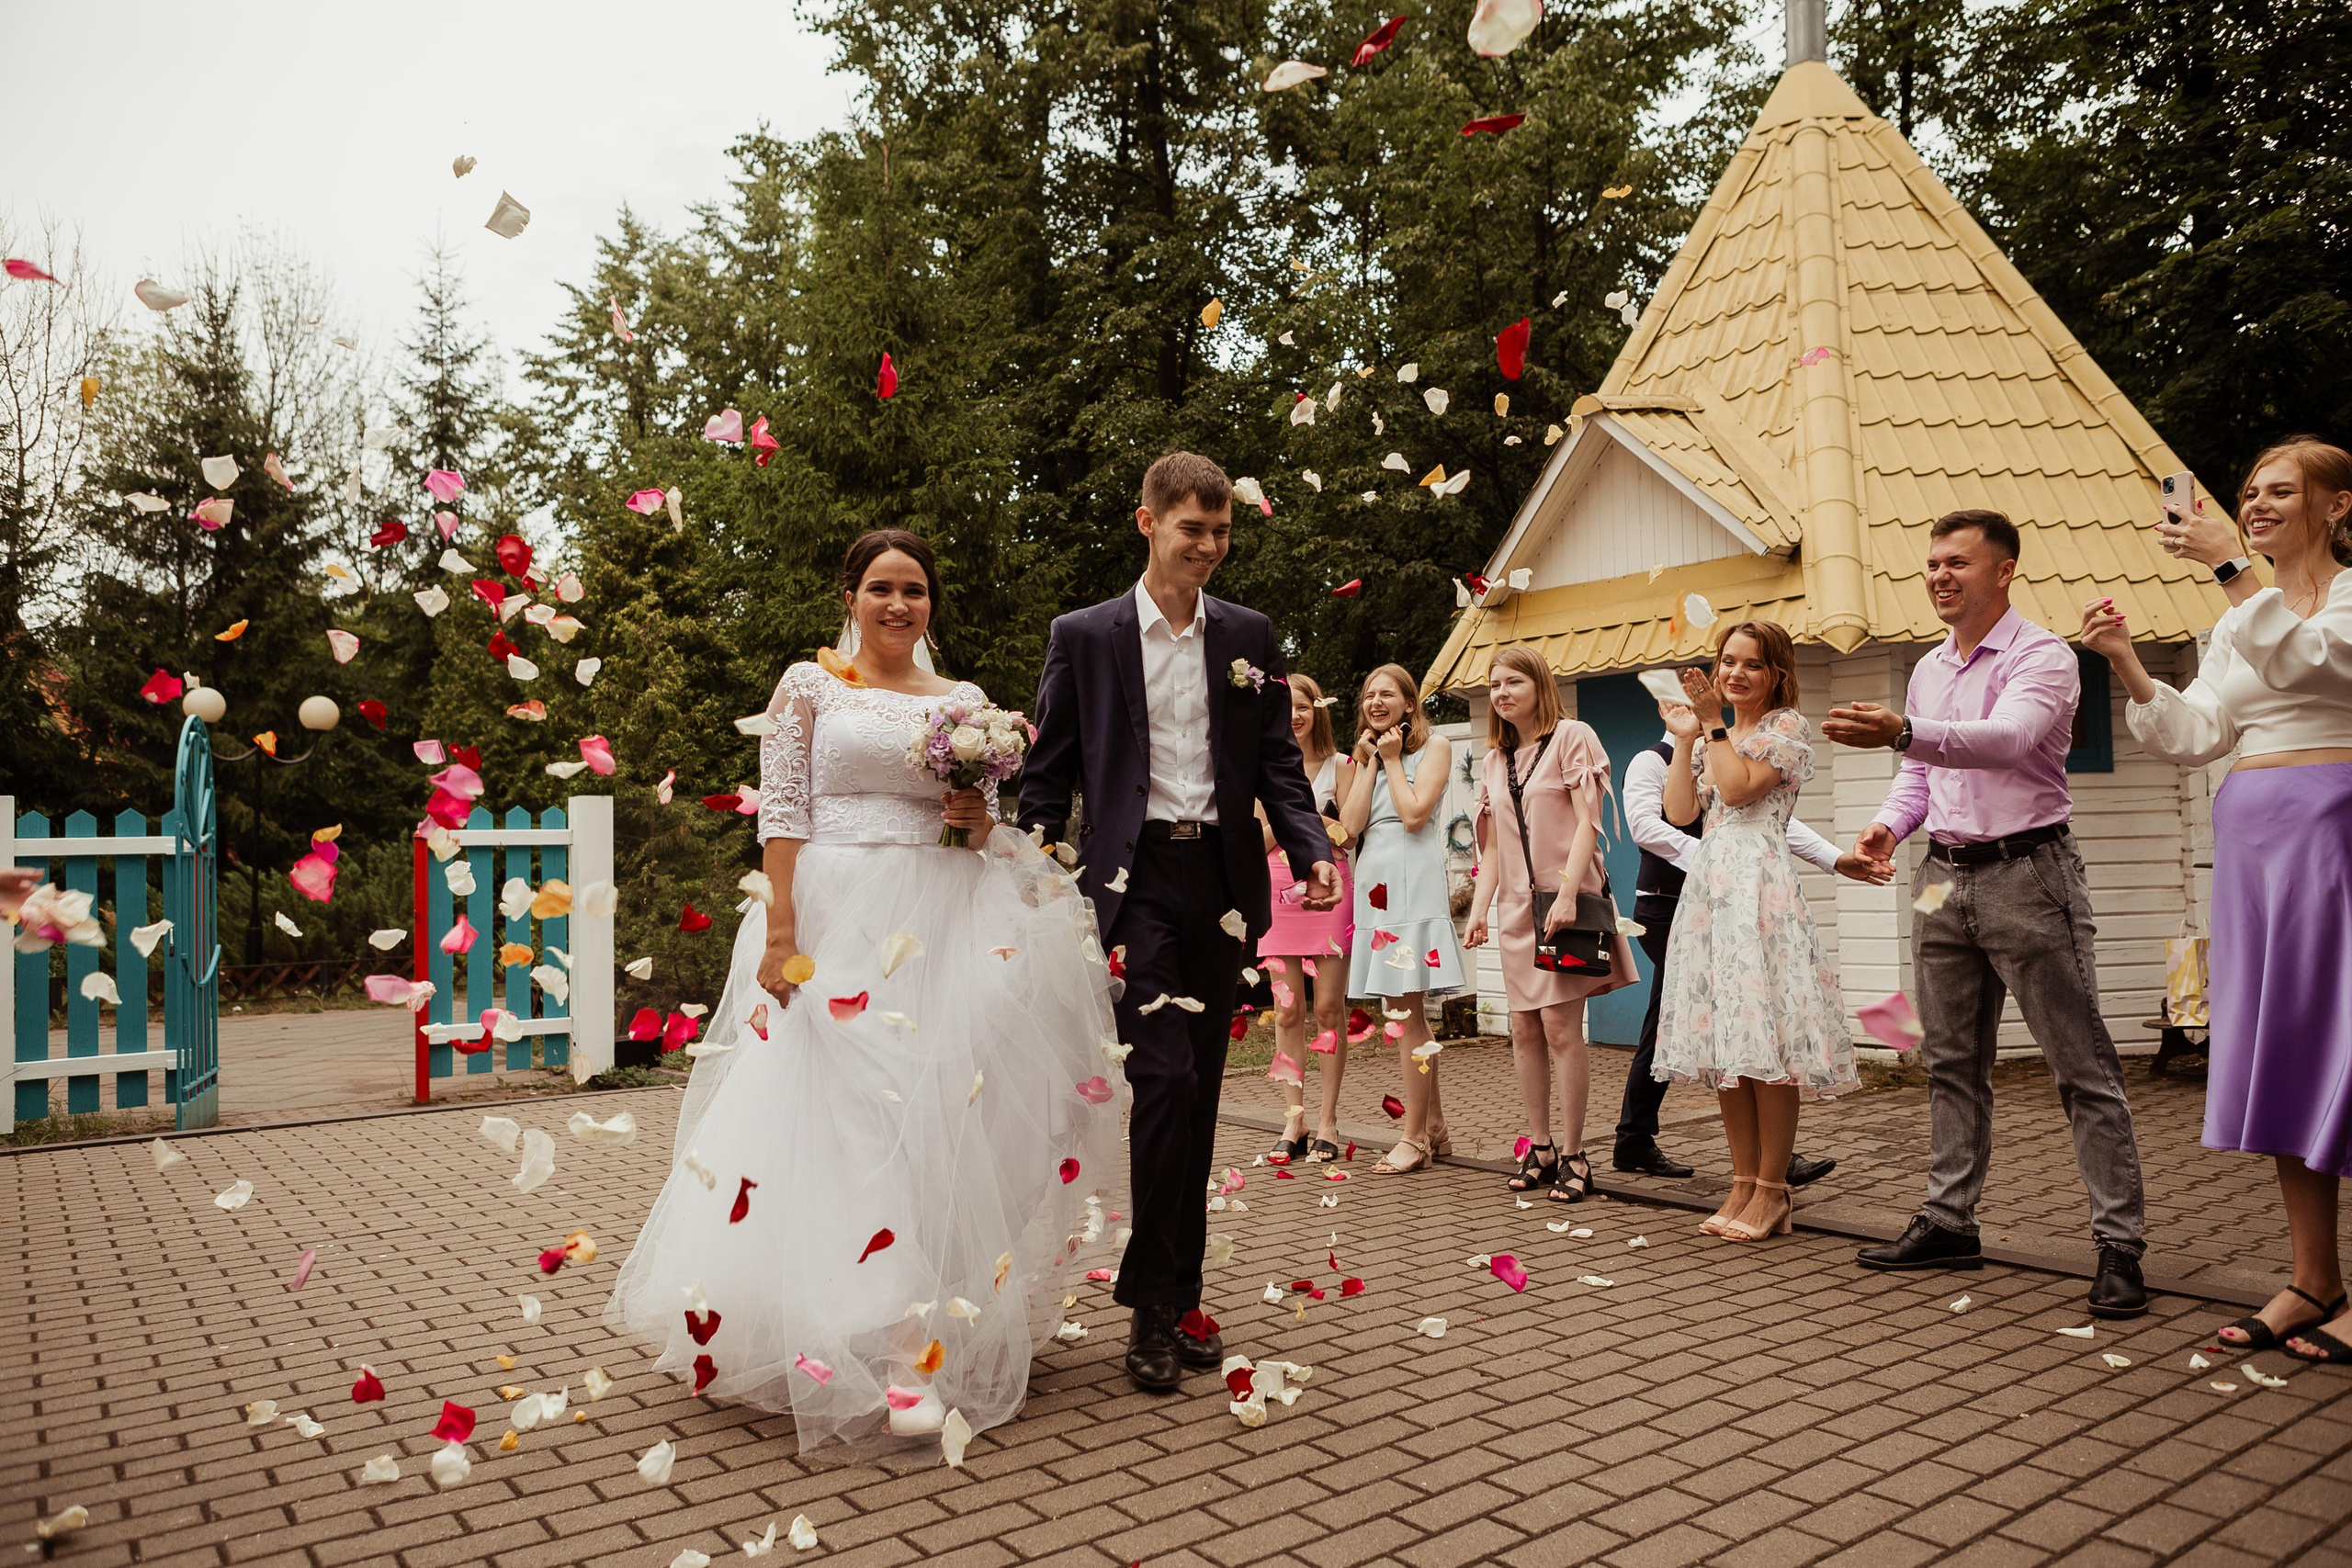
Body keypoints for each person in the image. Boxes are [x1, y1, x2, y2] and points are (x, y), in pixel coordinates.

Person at [604, 529, 1127, 1462]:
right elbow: (782, 811)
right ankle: (895, 1351)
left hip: (944, 923)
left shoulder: (965, 706)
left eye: (915, 590)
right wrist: (778, 933)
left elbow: (977, 834)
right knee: (849, 1118)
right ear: (850, 596)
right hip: (836, 921)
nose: (898, 605)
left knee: (934, 1116)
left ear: (931, 604)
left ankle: (915, 1316)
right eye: (882, 588)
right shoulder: (808, 688)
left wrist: (971, 817)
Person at [1017, 452, 1337, 1394]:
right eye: (1192, 527)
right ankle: (1154, 1307)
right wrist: (1028, 870)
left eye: (1222, 530)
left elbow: (1278, 760)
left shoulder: (1249, 634)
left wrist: (1310, 849)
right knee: (1157, 1076)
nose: (1208, 545)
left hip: (1227, 883)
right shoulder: (1086, 635)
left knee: (1196, 1089)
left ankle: (1177, 1287)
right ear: (1147, 523)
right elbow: (1051, 770)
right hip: (1134, 877)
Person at [1825, 509, 2149, 1318]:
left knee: (2081, 1068)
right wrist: (1887, 825)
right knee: (1949, 1062)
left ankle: (2119, 1246)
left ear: (2002, 570)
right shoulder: (1929, 668)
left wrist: (1904, 731)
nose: (1939, 575)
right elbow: (1922, 775)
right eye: (1932, 562)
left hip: (2028, 876)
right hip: (1942, 877)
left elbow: (2006, 740)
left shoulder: (2043, 657)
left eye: (1957, 562)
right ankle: (1948, 1219)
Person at [2080, 437, 2352, 1361]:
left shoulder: (2337, 598)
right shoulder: (2235, 620)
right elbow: (2198, 732)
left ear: (2336, 507)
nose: (2258, 504)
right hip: (2256, 844)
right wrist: (2123, 661)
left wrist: (2232, 568)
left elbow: (2316, 667)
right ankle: (2313, 1278)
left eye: (2281, 491)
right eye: (2248, 493)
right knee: (2290, 1052)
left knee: (2349, 1047)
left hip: (2338, 831)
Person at [1616, 713, 1887, 1183]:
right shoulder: (1654, 759)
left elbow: (1765, 819)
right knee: (1696, 1015)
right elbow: (1649, 827)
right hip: (1670, 903)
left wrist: (1832, 858)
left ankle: (1752, 1160)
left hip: (1736, 899)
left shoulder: (1750, 744)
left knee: (1722, 1014)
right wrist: (1719, 858)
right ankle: (1657, 1140)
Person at [1653, 622, 1856, 1241]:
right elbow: (1682, 813)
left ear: (1776, 674)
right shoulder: (1715, 732)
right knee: (1727, 1047)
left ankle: (1773, 1190)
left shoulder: (1784, 730)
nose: (1736, 673)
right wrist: (1691, 733)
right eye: (1727, 661)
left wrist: (1711, 723)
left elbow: (1740, 793)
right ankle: (1741, 1182)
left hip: (1760, 890)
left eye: (1752, 664)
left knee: (1768, 1048)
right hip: (1711, 890)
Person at [1463, 647, 1634, 1203]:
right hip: (1515, 909)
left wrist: (1566, 894)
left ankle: (1578, 1154)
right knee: (1523, 1029)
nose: (1502, 692)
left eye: (1513, 681)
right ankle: (1540, 1148)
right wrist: (1478, 910)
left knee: (1562, 1029)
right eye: (1494, 685)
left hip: (1563, 904)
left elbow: (1590, 824)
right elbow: (1492, 852)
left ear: (1540, 684)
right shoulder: (1495, 760)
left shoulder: (1574, 736)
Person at [1339, 661, 1466, 1174]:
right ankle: (1435, 1127)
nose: (1375, 702)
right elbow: (1348, 829)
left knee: (1404, 1014)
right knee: (1405, 1013)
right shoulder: (1365, 756)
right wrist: (1370, 761)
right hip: (1375, 885)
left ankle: (1414, 1136)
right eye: (1368, 694)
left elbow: (1414, 814)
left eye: (1386, 694)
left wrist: (1392, 759)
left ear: (1409, 704)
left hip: (1411, 886)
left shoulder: (1432, 749)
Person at [1257, 672, 1355, 1165]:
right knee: (1289, 1010)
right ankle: (1293, 1117)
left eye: (1303, 706)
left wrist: (1301, 823)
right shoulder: (1263, 768)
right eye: (1285, 707)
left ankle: (1328, 1119)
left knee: (1328, 1011)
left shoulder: (1341, 766)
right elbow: (1261, 840)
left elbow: (1350, 833)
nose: (1294, 715)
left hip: (1329, 889)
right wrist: (1308, 820)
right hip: (1276, 892)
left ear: (1318, 710)